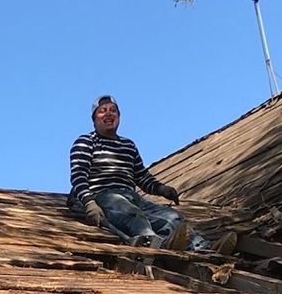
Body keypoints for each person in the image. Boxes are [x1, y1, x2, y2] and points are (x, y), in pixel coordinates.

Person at [67, 94, 216, 251]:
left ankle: (201, 247)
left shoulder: (128, 145)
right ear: (94, 118)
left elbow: (141, 176)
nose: (109, 114)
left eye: (113, 110)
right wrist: (89, 203)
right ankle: (153, 246)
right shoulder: (86, 142)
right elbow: (78, 176)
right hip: (104, 196)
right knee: (133, 215)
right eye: (102, 111)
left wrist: (161, 189)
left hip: (132, 196)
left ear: (119, 116)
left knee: (173, 216)